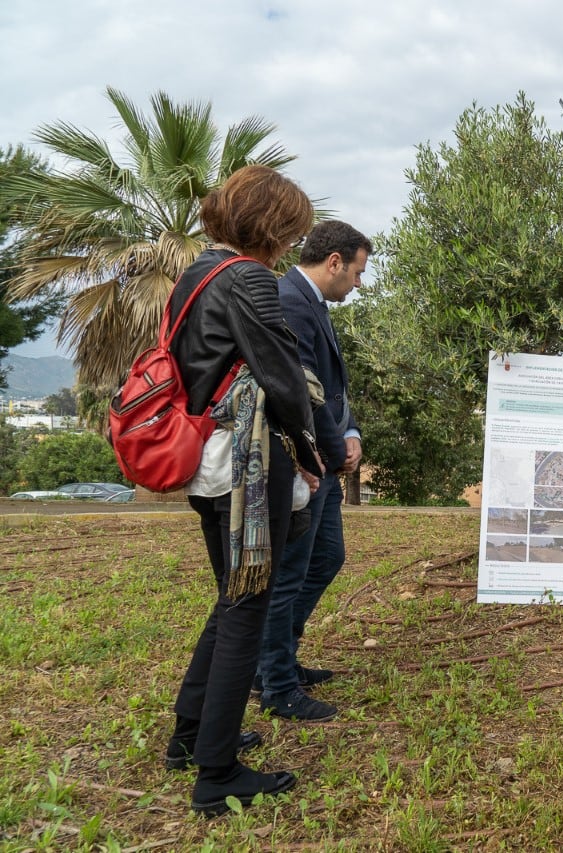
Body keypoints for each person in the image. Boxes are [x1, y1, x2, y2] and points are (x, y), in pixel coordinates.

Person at [163, 165, 325, 816]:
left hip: (209, 460)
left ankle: (189, 735)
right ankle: (218, 769)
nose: (292, 244)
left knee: (230, 599)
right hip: (250, 466)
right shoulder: (250, 278)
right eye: (292, 231)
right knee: (246, 609)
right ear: (273, 225)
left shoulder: (195, 274)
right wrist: (311, 456)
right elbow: (284, 378)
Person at [257, 221, 371, 721]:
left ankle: (279, 656)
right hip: (305, 463)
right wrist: (331, 447)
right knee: (287, 576)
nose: (359, 283)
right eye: (358, 271)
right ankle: (275, 681)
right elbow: (301, 391)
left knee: (327, 558)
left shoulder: (312, 304)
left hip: (325, 458)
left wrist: (353, 434)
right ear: (334, 262)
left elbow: (333, 386)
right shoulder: (289, 302)